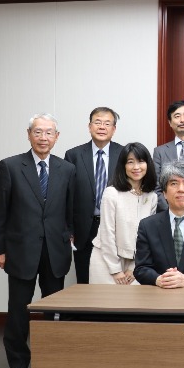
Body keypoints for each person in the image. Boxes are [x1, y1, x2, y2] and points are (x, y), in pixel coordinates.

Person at [0, 113, 75, 368]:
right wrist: (0, 249)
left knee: (55, 312)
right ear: (28, 134)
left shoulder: (67, 169)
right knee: (18, 311)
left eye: (49, 132)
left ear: (57, 137)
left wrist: (68, 236)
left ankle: (54, 360)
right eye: (38, 132)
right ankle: (18, 364)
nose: (43, 137)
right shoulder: (11, 166)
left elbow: (70, 210)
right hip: (20, 252)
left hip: (55, 251)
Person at [64, 107, 123, 284]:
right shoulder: (73, 155)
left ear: (114, 129)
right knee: (84, 277)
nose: (102, 127)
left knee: (115, 276)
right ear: (89, 126)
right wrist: (69, 229)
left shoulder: (124, 154)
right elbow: (66, 196)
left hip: (115, 225)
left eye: (107, 123)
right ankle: (85, 313)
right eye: (97, 122)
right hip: (83, 228)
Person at [88, 143, 158, 285]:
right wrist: (115, 269)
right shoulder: (111, 193)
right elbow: (107, 233)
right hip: (106, 260)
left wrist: (134, 267)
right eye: (130, 162)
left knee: (133, 305)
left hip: (134, 264)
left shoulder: (151, 196)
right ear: (123, 166)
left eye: (141, 161)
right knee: (106, 305)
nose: (136, 167)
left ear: (148, 164)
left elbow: (147, 237)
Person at [153, 100, 184, 212]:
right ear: (170, 122)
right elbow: (156, 187)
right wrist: (171, 210)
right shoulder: (160, 151)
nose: (182, 120)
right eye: (177, 116)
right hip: (168, 213)